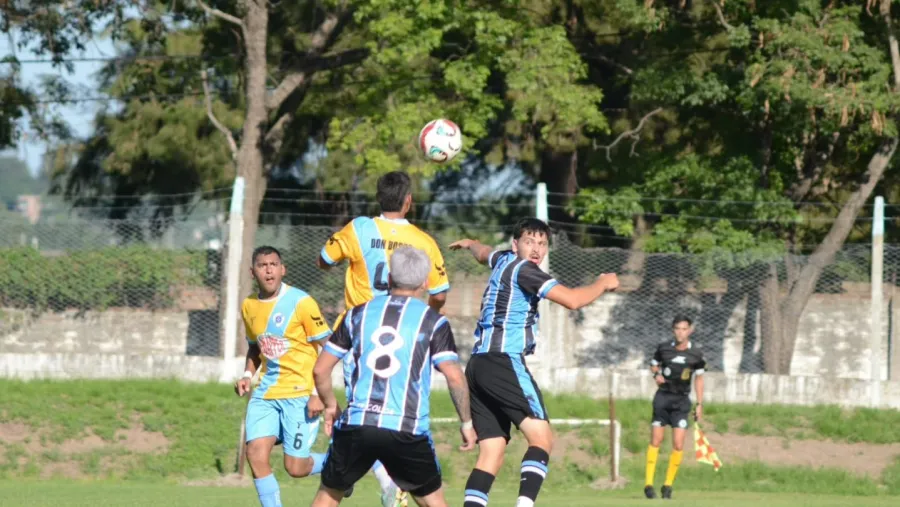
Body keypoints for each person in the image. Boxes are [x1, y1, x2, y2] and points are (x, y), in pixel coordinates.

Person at [450, 218, 620, 507]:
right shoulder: (525, 271)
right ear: (516, 244)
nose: (537, 249)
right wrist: (603, 283)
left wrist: (469, 244)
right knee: (541, 438)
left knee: (491, 451)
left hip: (477, 366)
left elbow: (483, 252)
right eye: (530, 241)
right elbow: (572, 300)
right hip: (502, 361)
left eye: (542, 243)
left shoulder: (503, 259)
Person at [316, 170, 451, 506]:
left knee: (363, 411)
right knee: (396, 410)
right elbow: (440, 294)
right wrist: (424, 315)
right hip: (406, 335)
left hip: (359, 335)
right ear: (408, 201)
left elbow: (323, 260)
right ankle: (391, 478)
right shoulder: (423, 241)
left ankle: (374, 477)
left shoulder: (359, 228)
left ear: (379, 198)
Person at [309, 246, 477, 507]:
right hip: (405, 428)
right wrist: (466, 422)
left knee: (327, 498)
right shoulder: (433, 321)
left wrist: (331, 405)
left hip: (358, 424)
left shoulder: (357, 314)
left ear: (389, 278)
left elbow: (320, 369)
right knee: (434, 502)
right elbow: (455, 378)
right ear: (424, 283)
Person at [234, 246, 335, 507]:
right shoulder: (249, 306)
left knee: (296, 467)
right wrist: (247, 374)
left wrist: (317, 393)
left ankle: (340, 463)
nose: (268, 269)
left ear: (283, 269)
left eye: (273, 264)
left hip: (301, 393)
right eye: (262, 265)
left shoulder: (301, 302)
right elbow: (256, 346)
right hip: (266, 393)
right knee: (255, 454)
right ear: (252, 272)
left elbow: (330, 347)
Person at [644, 315, 706, 500]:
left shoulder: (696, 354)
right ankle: (648, 485)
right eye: (677, 329)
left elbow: (700, 379)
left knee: (678, 444)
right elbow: (653, 365)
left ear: (690, 330)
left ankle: (668, 486)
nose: (681, 332)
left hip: (681, 402)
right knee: (656, 440)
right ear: (673, 330)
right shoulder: (663, 348)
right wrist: (656, 376)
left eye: (684, 329)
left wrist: (700, 404)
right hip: (663, 399)